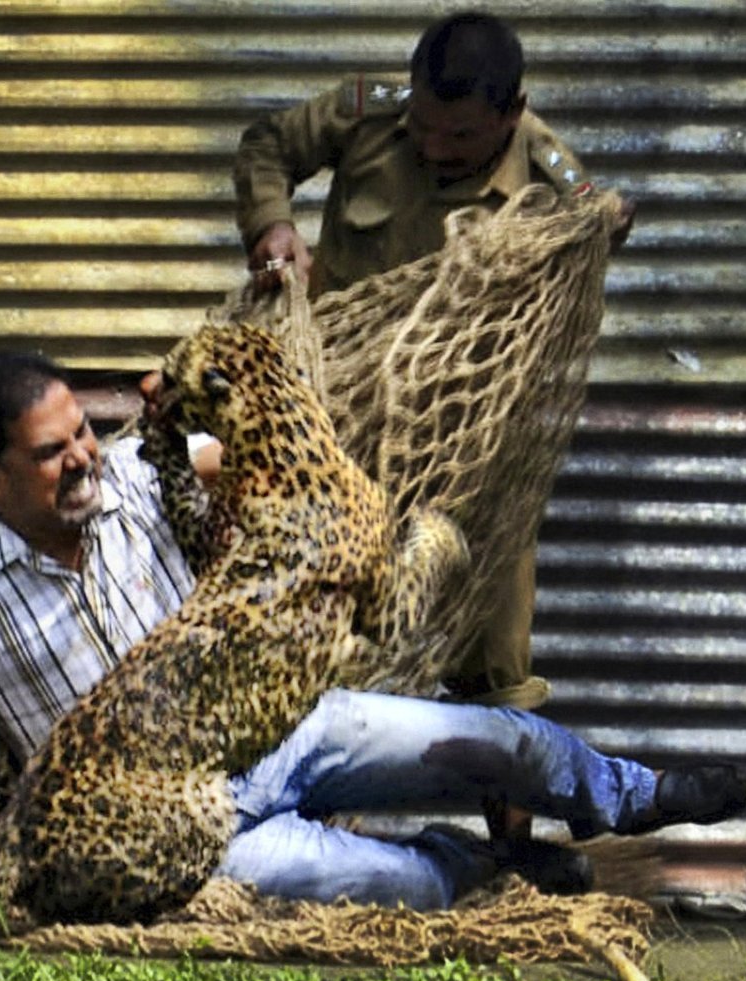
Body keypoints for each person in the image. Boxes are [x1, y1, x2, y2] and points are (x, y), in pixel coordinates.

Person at [0, 352, 746, 919]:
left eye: (85, 433)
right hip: (190, 827)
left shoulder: (136, 477)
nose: (85, 458)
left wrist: (198, 413)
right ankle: (496, 869)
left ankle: (638, 793)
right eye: (53, 452)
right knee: (390, 886)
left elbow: (262, 459)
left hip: (286, 725)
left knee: (497, 740)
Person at [234, 11, 634, 836]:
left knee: (497, 655)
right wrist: (273, 225)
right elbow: (268, 142)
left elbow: (597, 218)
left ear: (511, 112)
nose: (432, 144)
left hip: (473, 450)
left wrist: (601, 229)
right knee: (324, 626)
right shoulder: (368, 112)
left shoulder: (551, 170)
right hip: (346, 426)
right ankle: (304, 832)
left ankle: (514, 853)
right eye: (421, 121)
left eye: (456, 133)